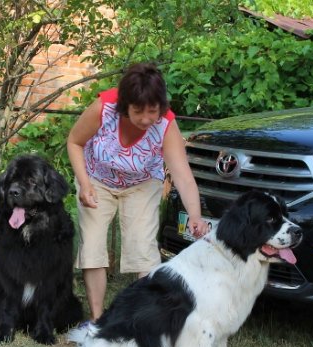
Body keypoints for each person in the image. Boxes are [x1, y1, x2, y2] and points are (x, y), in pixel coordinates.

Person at [67, 62, 208, 322]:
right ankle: (98, 321)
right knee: (93, 245)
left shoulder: (166, 125)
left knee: (143, 250)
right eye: (137, 111)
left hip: (142, 183)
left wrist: (195, 217)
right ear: (124, 105)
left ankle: (145, 319)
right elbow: (74, 142)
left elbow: (184, 178)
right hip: (97, 178)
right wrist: (85, 184)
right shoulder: (104, 108)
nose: (145, 119)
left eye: (152, 111)